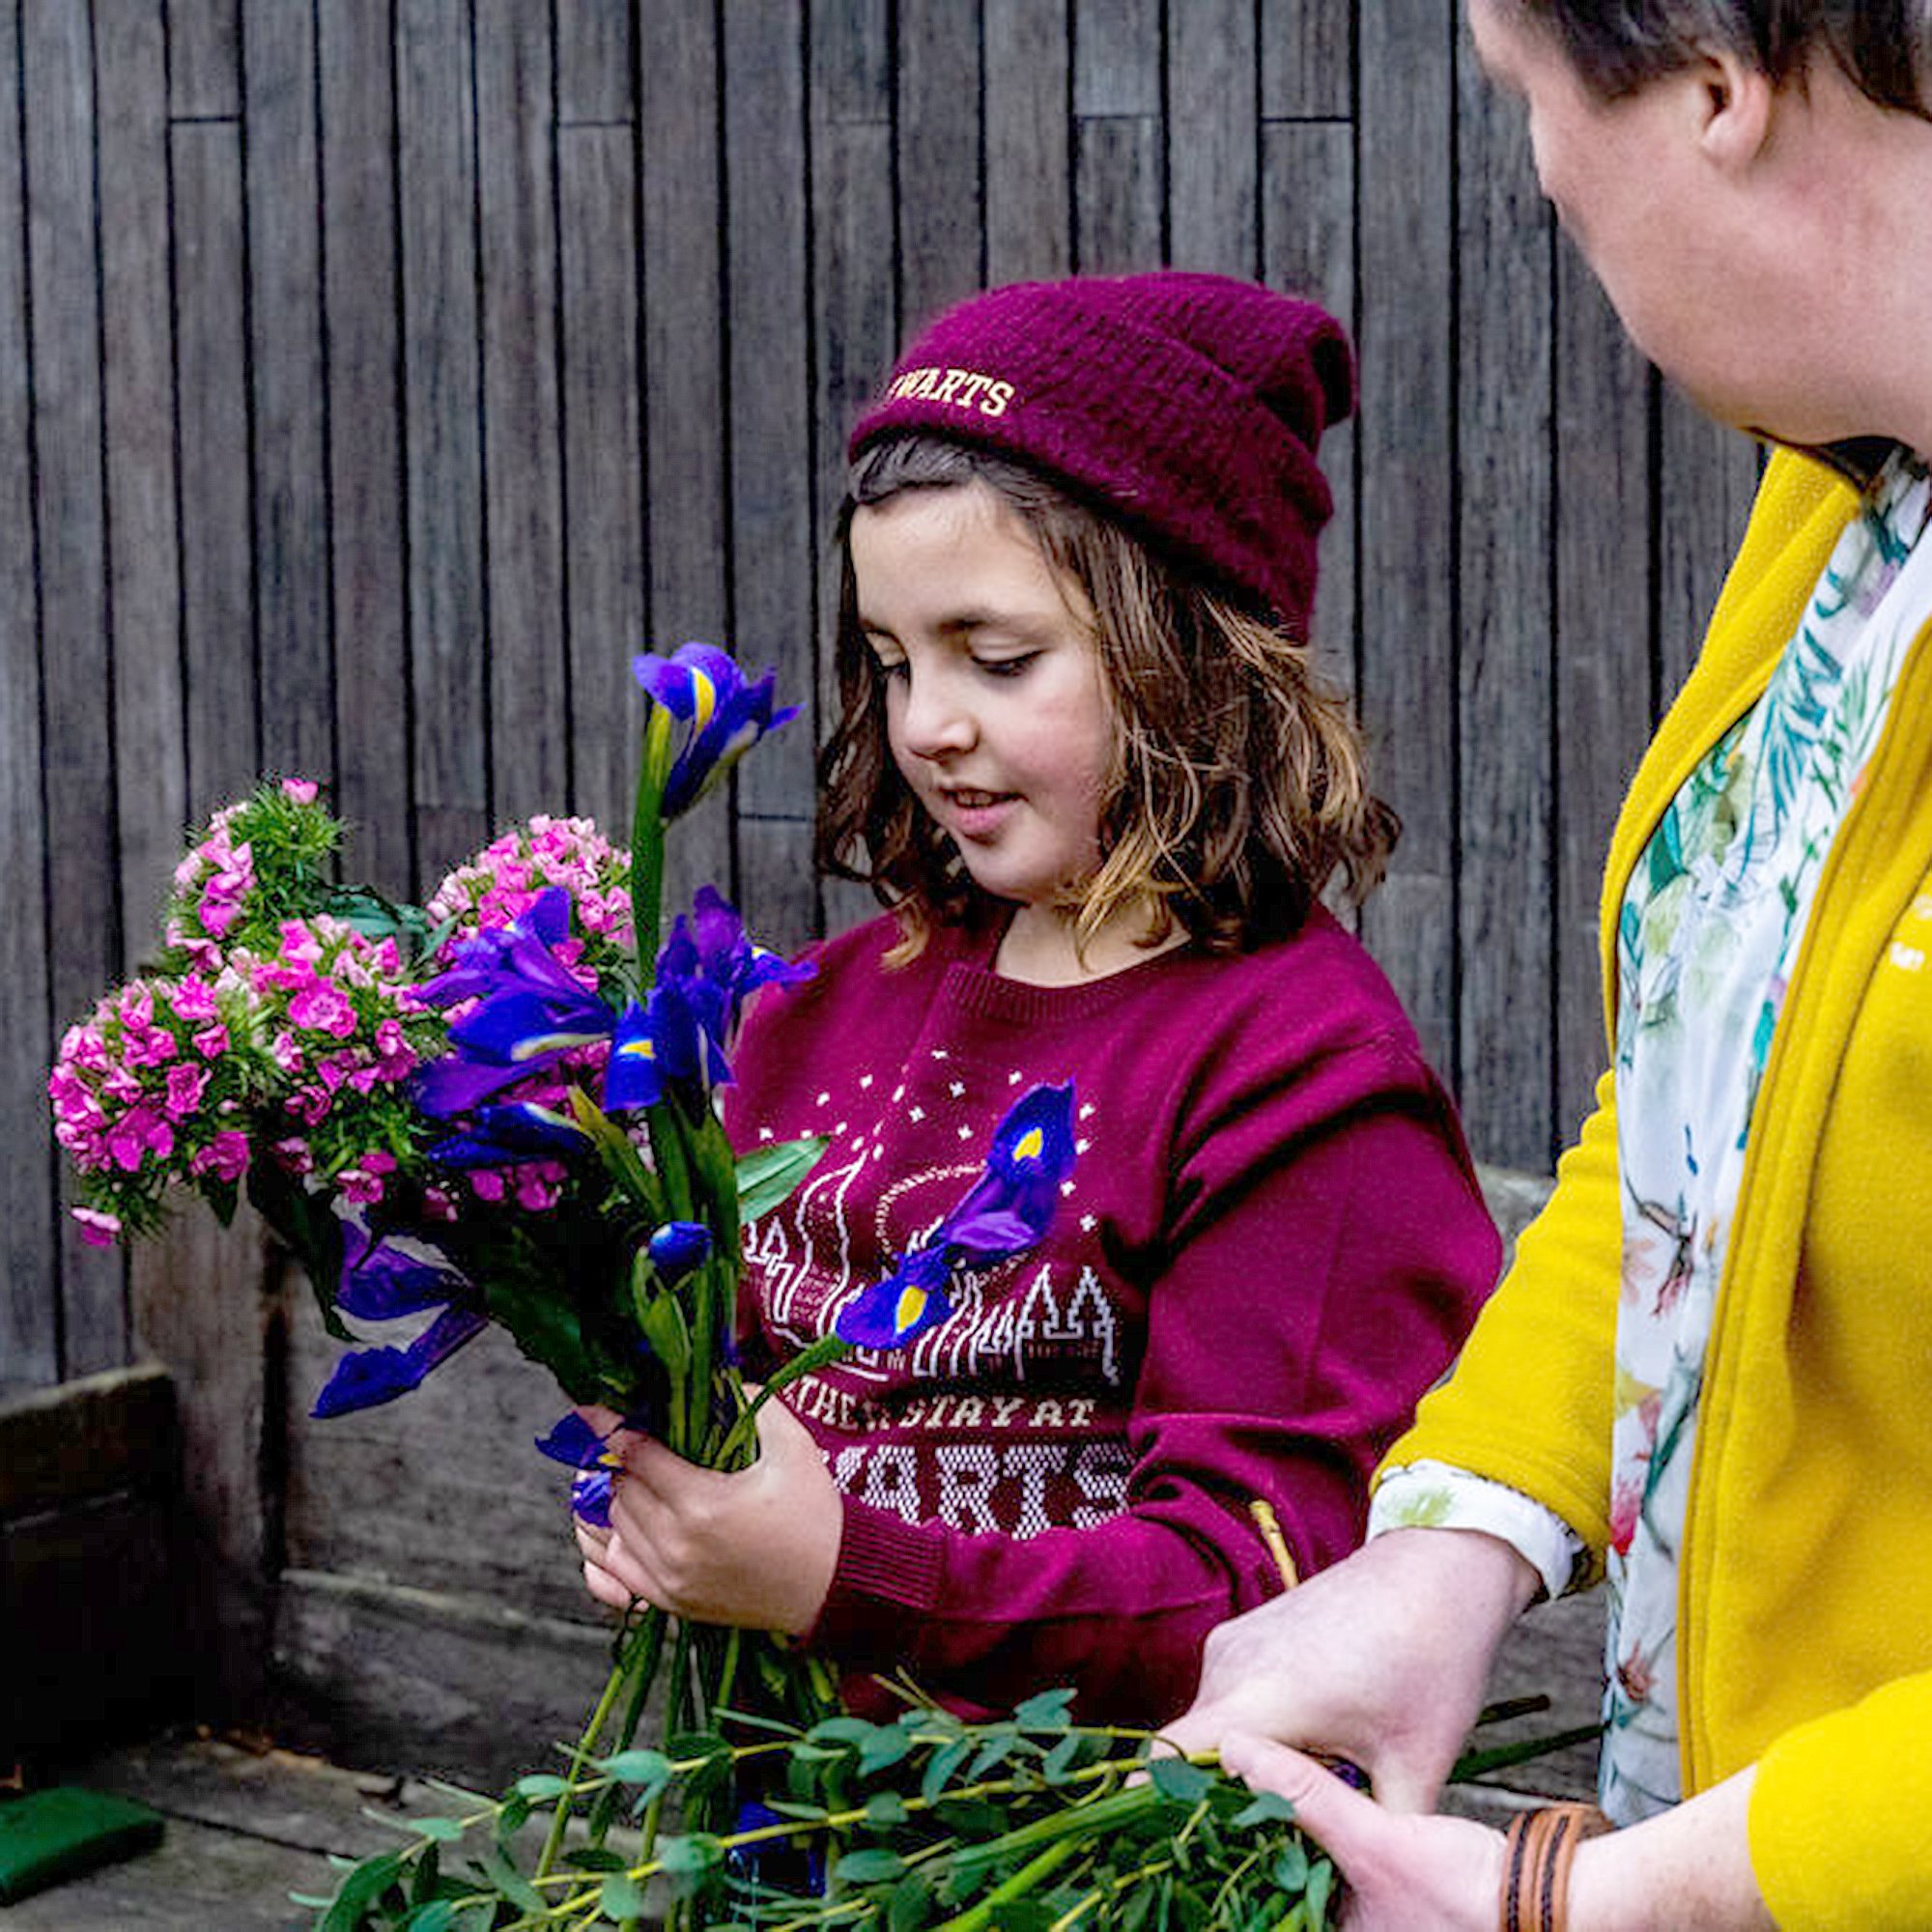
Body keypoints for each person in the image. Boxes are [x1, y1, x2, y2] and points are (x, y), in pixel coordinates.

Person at [1163, 4, 1932, 1926]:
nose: (1533, 172)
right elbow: (1710, 1092)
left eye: (1521, 88)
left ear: (1708, 74)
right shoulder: (1849, 491)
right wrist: (1453, 1542)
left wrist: (1585, 1903)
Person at [575, 270, 1501, 1725]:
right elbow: (729, 1378)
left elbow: (1261, 1592)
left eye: (997, 659)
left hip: (1091, 1854)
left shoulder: (1303, 1074)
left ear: (1196, 654)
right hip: (762, 1826)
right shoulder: (823, 1005)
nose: (928, 724)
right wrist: (660, 1496)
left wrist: (846, 1577)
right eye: (890, 662)